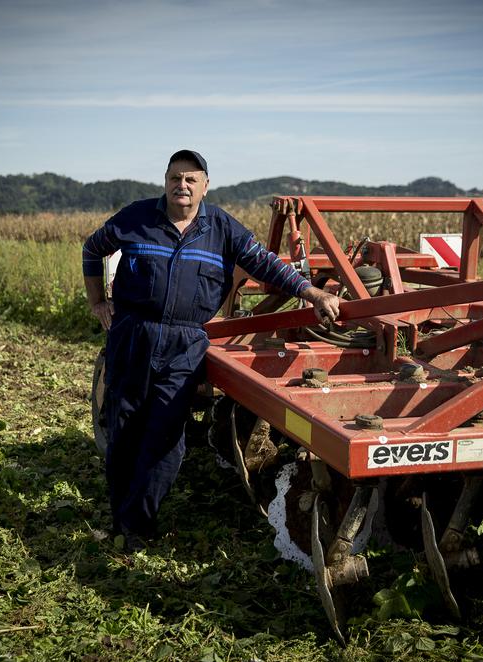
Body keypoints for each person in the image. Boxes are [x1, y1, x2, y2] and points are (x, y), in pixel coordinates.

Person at [82, 149, 339, 548]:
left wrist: (309, 291)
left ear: (205, 185)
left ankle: (137, 523)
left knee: (167, 438)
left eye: (190, 179)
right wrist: (98, 302)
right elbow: (92, 248)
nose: (181, 185)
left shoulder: (221, 227)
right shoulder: (135, 217)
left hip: (186, 342)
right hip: (133, 334)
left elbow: (265, 263)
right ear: (164, 181)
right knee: (125, 430)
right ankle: (127, 523)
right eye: (174, 177)